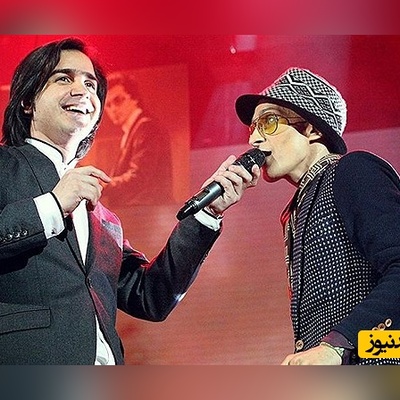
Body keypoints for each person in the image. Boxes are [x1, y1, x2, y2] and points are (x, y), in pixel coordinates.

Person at [0, 37, 260, 365]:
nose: (82, 91)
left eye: (91, 84)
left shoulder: (104, 219)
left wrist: (207, 213)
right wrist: (52, 206)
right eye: (64, 78)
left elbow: (151, 296)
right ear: (27, 101)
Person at [235, 67, 400, 365]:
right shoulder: (295, 211)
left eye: (269, 122)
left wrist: (338, 345)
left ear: (313, 129)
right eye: (253, 128)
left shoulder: (352, 172)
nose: (254, 140)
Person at [100, 71, 174, 207]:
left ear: (134, 98)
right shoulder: (134, 130)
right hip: (141, 212)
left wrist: (104, 184)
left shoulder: (147, 128)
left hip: (147, 212)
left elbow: (139, 177)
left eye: (118, 100)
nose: (113, 109)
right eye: (108, 105)